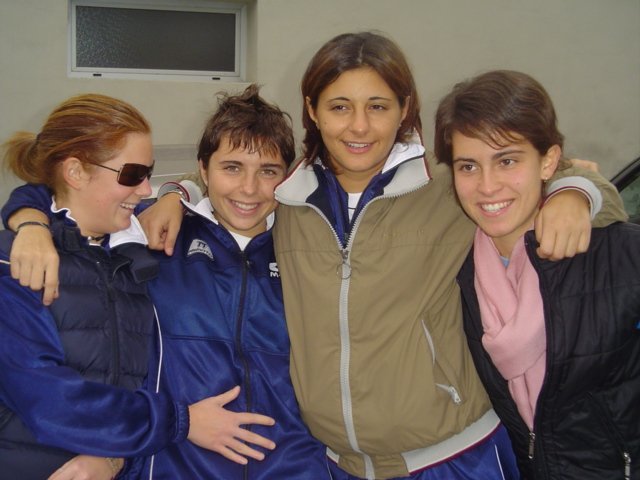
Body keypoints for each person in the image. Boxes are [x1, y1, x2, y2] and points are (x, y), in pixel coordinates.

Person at [3, 34, 627, 480]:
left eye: (378, 106)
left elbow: (531, 177)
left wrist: (576, 192)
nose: (359, 126)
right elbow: (90, 200)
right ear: (313, 111)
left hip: (443, 456)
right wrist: (35, 215)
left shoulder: (447, 189)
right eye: (339, 106)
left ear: (405, 111)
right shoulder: (270, 211)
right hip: (311, 464)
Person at [1, 86, 331, 479]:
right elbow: (68, 197)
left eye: (268, 171)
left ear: (286, 176)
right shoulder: (149, 238)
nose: (249, 188)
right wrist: (30, 219)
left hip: (294, 467)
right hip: (176, 466)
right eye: (231, 168)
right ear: (203, 170)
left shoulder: (310, 251)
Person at [434, 70, 640, 479]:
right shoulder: (456, 270)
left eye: (507, 161)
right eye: (468, 166)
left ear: (548, 161)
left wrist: (578, 189)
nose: (487, 186)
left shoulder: (620, 256)